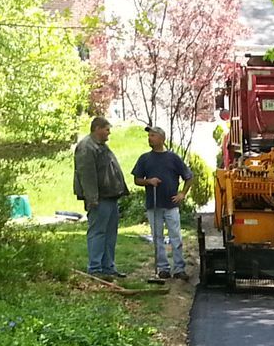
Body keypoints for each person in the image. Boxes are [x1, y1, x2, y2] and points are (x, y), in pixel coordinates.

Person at [131, 126, 191, 281]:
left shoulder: (173, 158)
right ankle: (163, 268)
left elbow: (188, 177)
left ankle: (179, 268)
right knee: (157, 236)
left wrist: (182, 194)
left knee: (175, 236)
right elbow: (137, 180)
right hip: (154, 204)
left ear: (162, 138)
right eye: (149, 136)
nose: (150, 138)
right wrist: (148, 181)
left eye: (153, 135)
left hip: (171, 204)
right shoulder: (144, 158)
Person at [73, 116, 129, 278]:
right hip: (100, 199)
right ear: (97, 128)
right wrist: (92, 199)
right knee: (97, 232)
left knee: (110, 233)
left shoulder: (101, 146)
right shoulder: (87, 147)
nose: (108, 133)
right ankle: (95, 268)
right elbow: (87, 175)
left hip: (111, 197)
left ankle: (108, 266)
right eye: (106, 129)